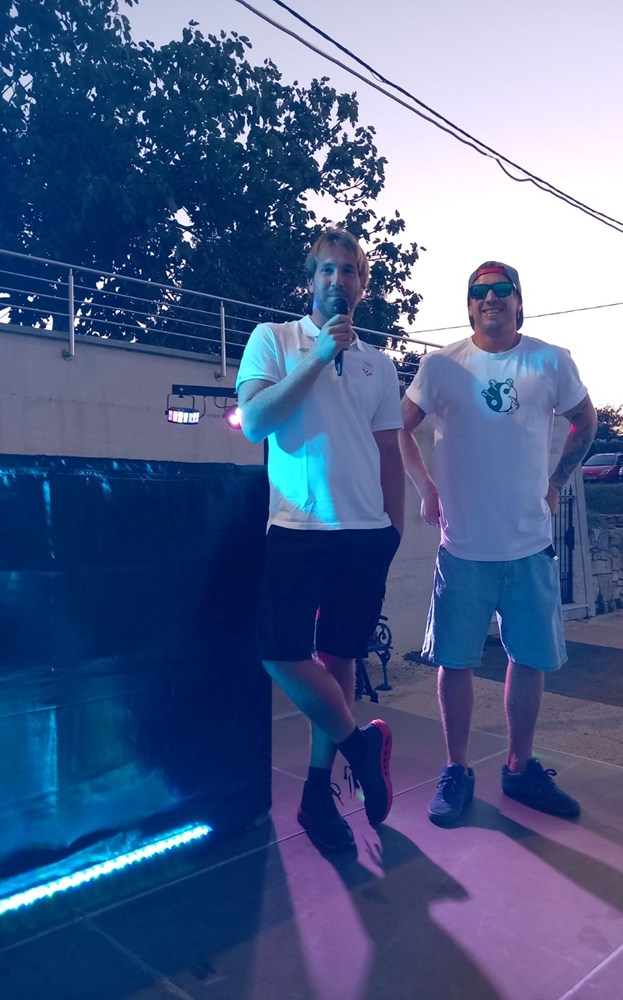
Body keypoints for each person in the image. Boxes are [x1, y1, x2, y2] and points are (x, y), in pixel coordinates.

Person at [399, 261, 597, 825]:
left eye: (501, 289)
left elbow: (585, 420)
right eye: (479, 291)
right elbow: (396, 426)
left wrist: (558, 482)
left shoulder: (550, 360)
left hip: (529, 546)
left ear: (518, 301)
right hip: (463, 548)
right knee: (455, 662)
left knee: (528, 659)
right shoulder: (441, 366)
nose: (490, 297)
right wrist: (426, 488)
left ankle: (519, 768)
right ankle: (456, 770)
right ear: (469, 306)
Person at [236, 227, 405, 851]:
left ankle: (316, 797)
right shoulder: (274, 339)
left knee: (339, 660)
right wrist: (316, 357)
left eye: (350, 271)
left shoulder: (378, 363)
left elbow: (389, 449)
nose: (339, 280)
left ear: (362, 285)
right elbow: (255, 421)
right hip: (298, 528)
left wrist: (394, 527)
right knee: (278, 651)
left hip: (366, 535)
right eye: (328, 270)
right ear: (310, 281)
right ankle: (362, 747)